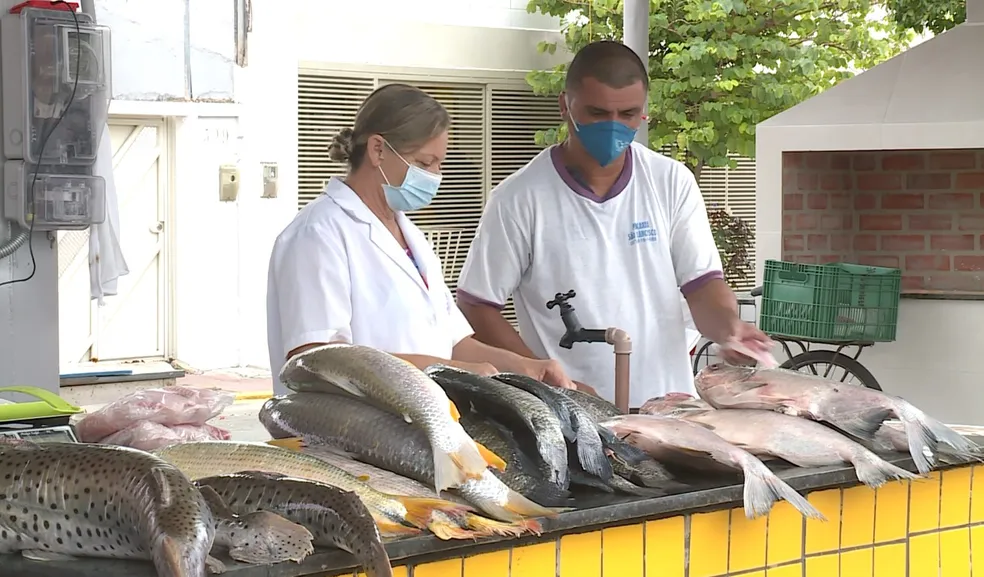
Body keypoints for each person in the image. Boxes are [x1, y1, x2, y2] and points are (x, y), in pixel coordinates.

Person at [455, 41, 771, 408]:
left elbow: (702, 283)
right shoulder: (519, 198)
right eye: (597, 113)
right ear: (565, 106)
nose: (613, 127)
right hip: (571, 414)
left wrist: (730, 330)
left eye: (628, 114)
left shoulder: (670, 182)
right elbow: (477, 303)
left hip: (669, 408)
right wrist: (543, 377)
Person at [266, 83, 575, 396]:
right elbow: (317, 363)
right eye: (424, 163)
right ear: (377, 150)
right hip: (342, 436)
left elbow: (455, 344)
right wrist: (452, 372)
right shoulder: (318, 235)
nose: (435, 176)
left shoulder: (411, 238)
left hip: (415, 427)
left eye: (440, 163)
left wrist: (526, 366)